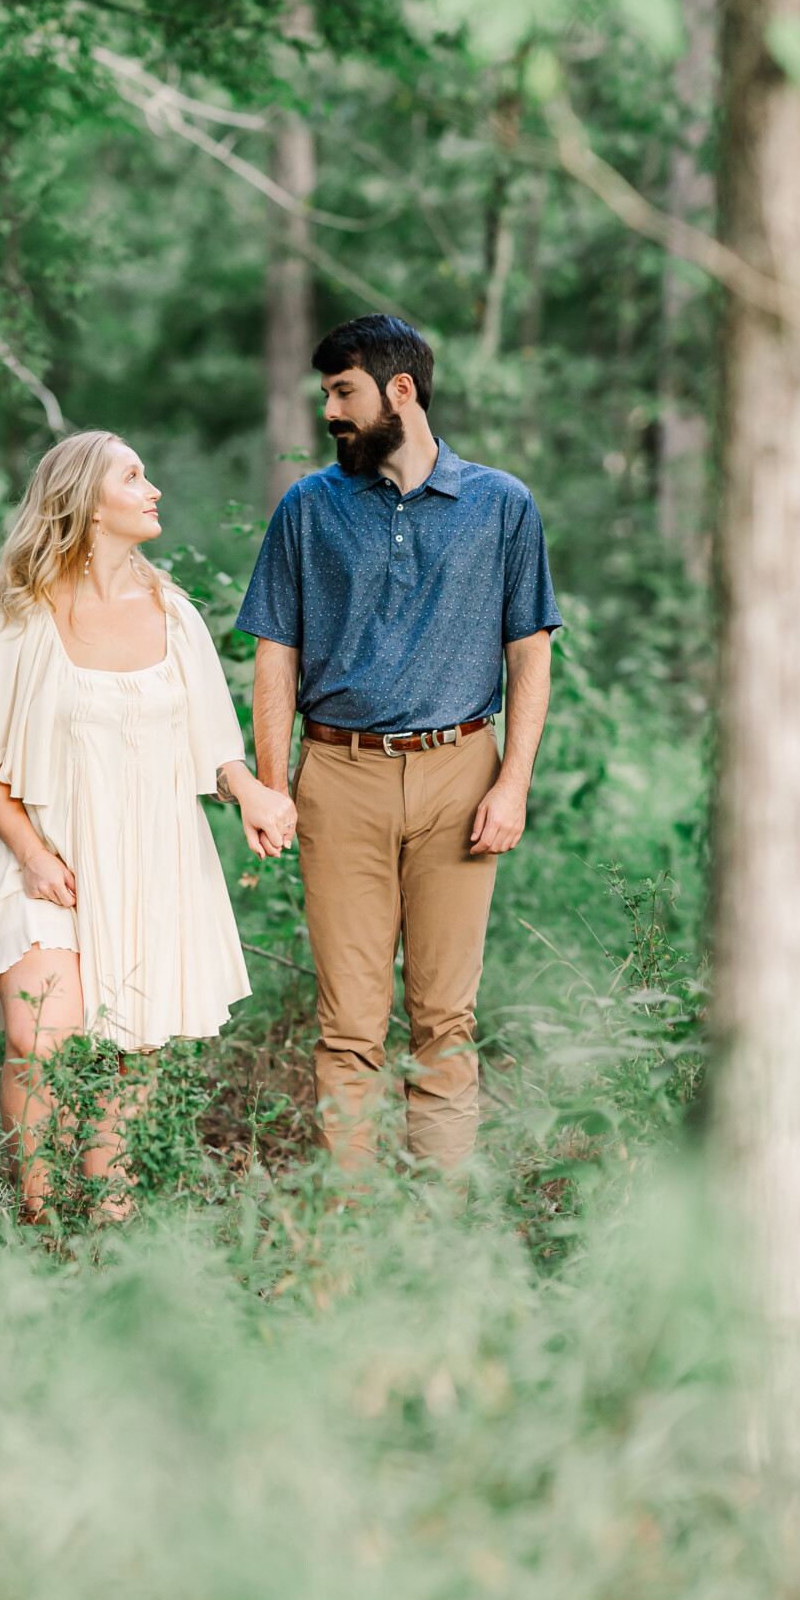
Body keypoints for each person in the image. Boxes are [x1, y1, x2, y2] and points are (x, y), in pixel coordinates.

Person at [0, 430, 297, 1221]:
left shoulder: (174, 617)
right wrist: (32, 856)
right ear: (87, 505)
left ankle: (108, 1218)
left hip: (150, 860)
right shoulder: (19, 616)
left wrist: (253, 797)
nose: (153, 489)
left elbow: (216, 750)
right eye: (133, 477)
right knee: (41, 1038)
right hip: (47, 860)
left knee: (134, 1047)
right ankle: (39, 1218)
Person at [237, 315, 560, 1174]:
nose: (331, 413)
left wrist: (512, 784)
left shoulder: (501, 504)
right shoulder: (309, 507)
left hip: (462, 775)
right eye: (325, 397)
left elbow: (530, 655)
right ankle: (346, 1244)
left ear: (400, 390)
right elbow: (275, 659)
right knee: (346, 1027)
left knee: (444, 1021)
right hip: (338, 779)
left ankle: (435, 1245)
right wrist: (273, 785)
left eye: (343, 393)